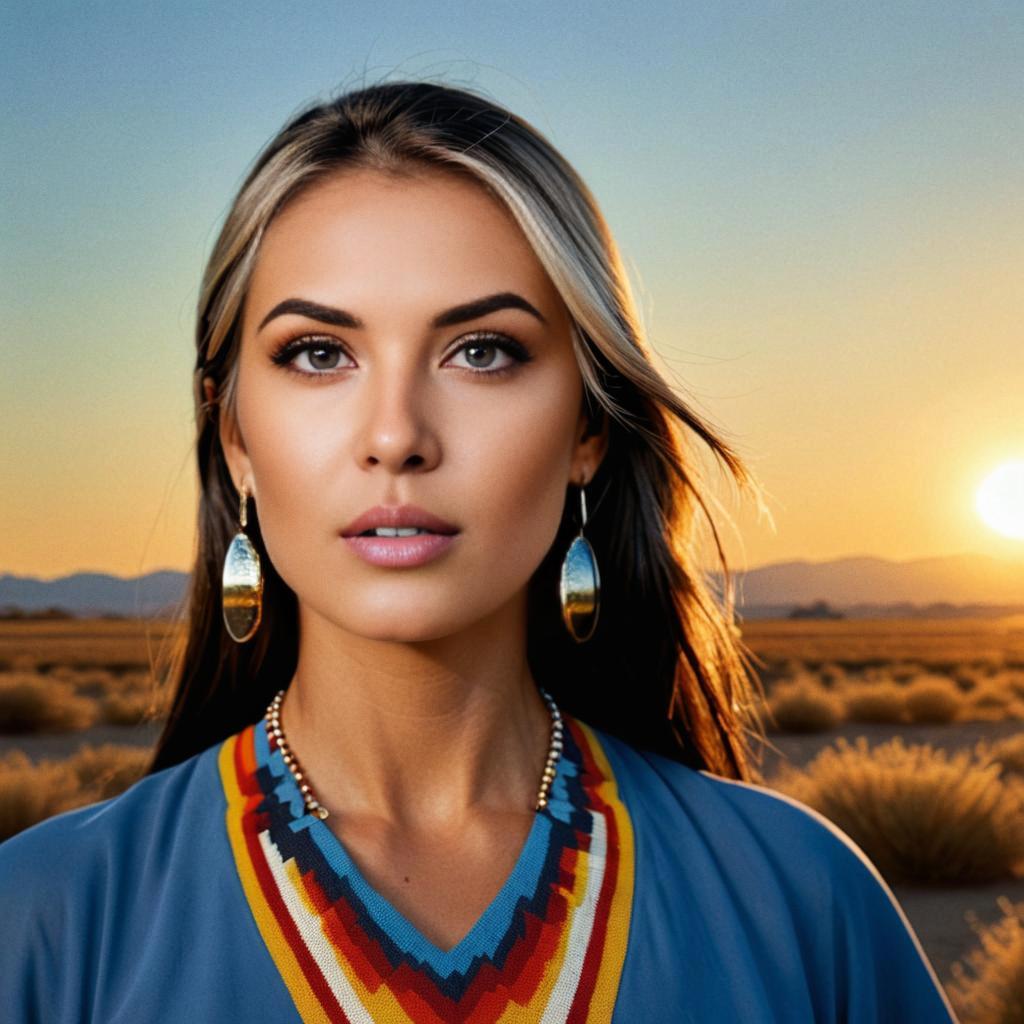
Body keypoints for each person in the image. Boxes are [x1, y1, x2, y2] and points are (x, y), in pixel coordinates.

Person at [0, 80, 958, 1023]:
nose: (397, 435)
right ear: (236, 437)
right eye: (319, 354)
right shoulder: (45, 918)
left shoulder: (801, 900)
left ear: (587, 427)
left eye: (483, 351)